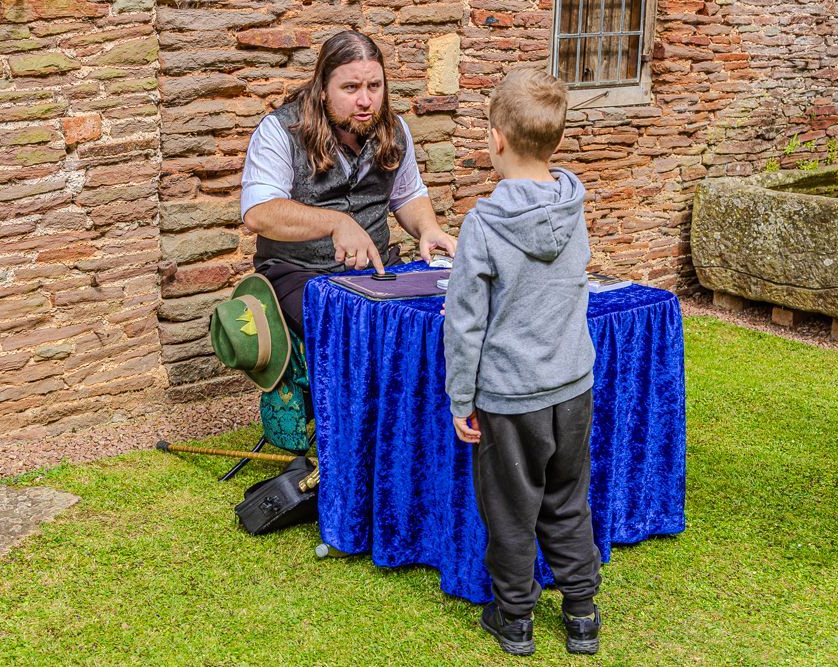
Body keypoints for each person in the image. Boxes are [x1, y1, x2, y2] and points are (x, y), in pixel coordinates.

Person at [442, 67, 602, 657]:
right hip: (572, 386)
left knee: (513, 511)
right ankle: (582, 613)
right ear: (555, 141)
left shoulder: (483, 225)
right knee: (566, 500)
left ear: (496, 139)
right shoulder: (574, 205)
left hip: (512, 398)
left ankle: (515, 619)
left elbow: (464, 324)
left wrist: (462, 399)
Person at [241, 30, 456, 336]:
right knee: (356, 332)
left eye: (374, 86)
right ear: (323, 90)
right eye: (351, 88)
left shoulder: (395, 130)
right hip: (300, 274)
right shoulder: (280, 130)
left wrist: (429, 229)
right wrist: (335, 223)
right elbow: (259, 213)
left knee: (436, 318)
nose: (366, 100)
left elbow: (408, 195)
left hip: (377, 269)